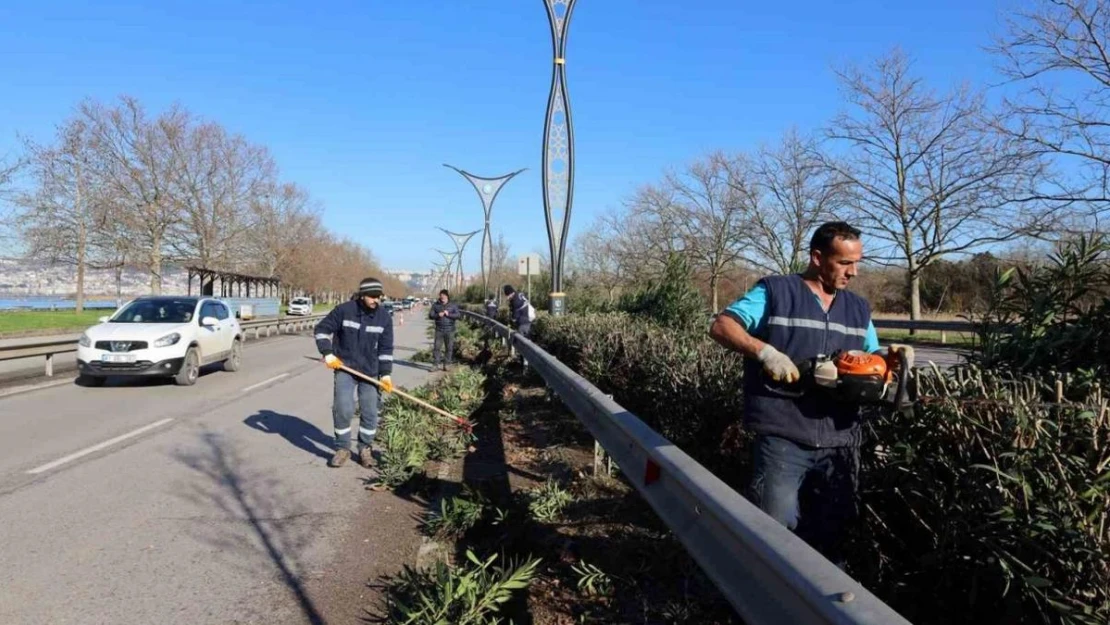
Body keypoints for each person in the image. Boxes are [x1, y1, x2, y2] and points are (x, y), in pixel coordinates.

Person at [708, 221, 912, 567]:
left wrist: (888, 361)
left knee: (833, 536)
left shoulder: (858, 309)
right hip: (784, 436)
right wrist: (765, 352)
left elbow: (870, 357)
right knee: (774, 531)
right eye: (845, 263)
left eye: (857, 262)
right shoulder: (776, 292)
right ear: (817, 258)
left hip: (841, 440)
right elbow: (722, 325)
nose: (855, 272)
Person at [314, 277, 395, 468]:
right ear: (362, 295)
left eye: (379, 296)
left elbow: (385, 349)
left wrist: (385, 374)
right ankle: (342, 448)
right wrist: (328, 353)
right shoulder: (344, 310)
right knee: (343, 408)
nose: (377, 300)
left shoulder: (384, 317)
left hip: (370, 371)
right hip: (345, 368)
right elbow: (321, 330)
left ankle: (365, 448)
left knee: (370, 411)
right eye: (373, 296)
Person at [428, 288, 460, 371]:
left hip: (450, 330)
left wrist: (448, 314)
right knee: (436, 348)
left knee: (449, 348)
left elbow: (458, 315)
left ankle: (447, 364)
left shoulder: (453, 305)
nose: (442, 298)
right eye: (441, 296)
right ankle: (435, 365)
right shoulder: (436, 305)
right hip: (439, 330)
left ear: (447, 296)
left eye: (443, 296)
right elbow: (431, 315)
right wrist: (438, 315)